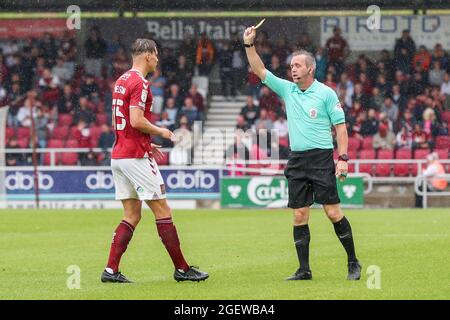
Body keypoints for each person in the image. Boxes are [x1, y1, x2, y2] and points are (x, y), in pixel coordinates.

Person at [243, 26, 361, 281]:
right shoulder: (288, 90)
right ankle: (304, 270)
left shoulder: (326, 93)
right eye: (291, 66)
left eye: (297, 65)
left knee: (332, 212)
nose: (293, 69)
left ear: (310, 68)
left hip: (320, 158)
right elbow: (260, 70)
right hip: (297, 158)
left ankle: (353, 262)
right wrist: (249, 46)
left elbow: (341, 129)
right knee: (299, 214)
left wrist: (343, 159)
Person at [102, 38, 208, 283]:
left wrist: (145, 142)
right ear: (148, 55)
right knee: (163, 210)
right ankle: (182, 269)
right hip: (135, 158)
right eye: (156, 54)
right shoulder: (140, 82)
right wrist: (162, 132)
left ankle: (110, 270)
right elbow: (136, 120)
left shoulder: (121, 80)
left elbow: (124, 123)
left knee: (132, 215)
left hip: (119, 155)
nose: (158, 59)